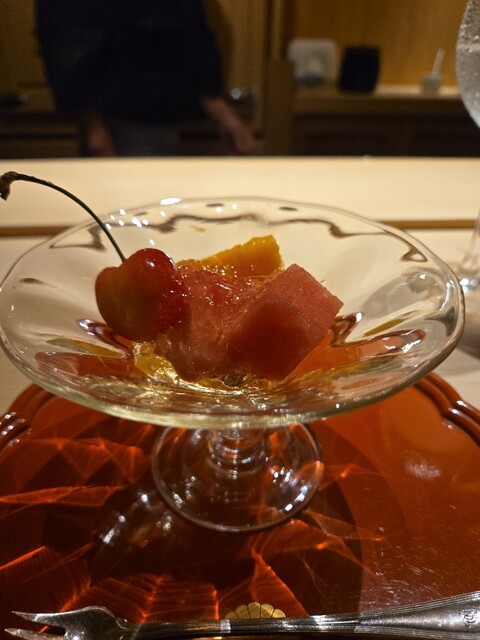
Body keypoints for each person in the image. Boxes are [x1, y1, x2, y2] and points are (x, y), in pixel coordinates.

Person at [35, 0, 255, 157]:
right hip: (121, 110)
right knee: (128, 201)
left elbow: (185, 23)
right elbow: (68, 31)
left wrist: (216, 102)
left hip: (170, 108)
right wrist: (91, 124)